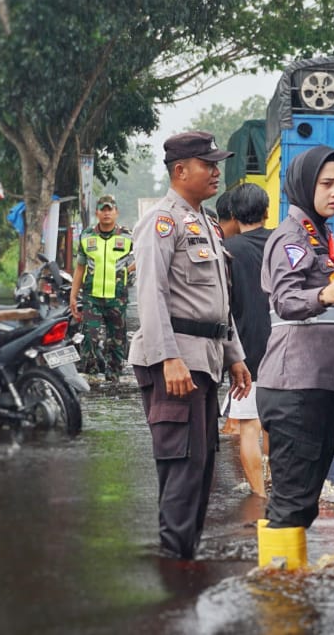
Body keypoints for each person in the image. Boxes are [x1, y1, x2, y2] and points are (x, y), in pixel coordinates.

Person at [128, 130, 252, 560]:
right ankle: (175, 571)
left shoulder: (206, 223)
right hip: (176, 363)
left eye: (217, 163)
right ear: (181, 171)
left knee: (201, 468)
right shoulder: (161, 221)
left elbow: (218, 298)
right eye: (208, 164)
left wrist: (235, 356)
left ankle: (187, 563)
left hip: (205, 360)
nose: (217, 172)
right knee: (182, 469)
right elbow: (151, 295)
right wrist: (168, 359)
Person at [255, 146, 334, 570]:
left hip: (319, 382)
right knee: (290, 499)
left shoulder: (320, 236)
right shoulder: (292, 237)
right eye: (327, 184)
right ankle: (280, 603)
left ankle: (289, 588)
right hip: (294, 386)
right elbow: (285, 298)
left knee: (303, 500)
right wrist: (323, 293)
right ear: (304, 185)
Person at [222, 183, 273, 498]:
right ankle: (277, 486)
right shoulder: (282, 244)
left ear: (234, 214)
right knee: (275, 427)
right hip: (285, 350)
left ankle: (259, 496)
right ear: (267, 212)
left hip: (244, 353)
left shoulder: (227, 250)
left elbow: (221, 305)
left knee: (249, 429)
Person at [69, 194, 133, 381]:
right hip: (92, 298)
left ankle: (114, 378)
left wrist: (125, 271)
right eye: (103, 210)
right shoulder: (87, 235)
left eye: (110, 210)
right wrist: (73, 296)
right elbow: (80, 268)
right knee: (90, 337)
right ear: (97, 213)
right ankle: (91, 378)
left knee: (116, 340)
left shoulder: (127, 235)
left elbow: (143, 256)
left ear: (116, 212)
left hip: (117, 297)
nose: (106, 213)